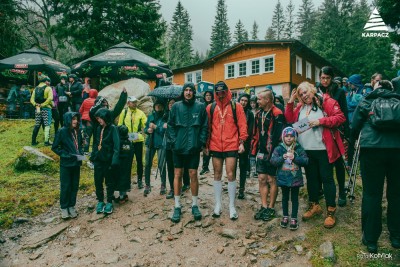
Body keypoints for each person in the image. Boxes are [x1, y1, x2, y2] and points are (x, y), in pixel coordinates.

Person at [285, 81, 346, 228]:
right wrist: (290, 102)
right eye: (301, 94)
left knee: (327, 179)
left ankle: (331, 211)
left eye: (305, 92)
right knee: (311, 179)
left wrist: (320, 121)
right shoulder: (300, 107)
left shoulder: (326, 101)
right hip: (306, 150)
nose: (304, 95)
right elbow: (290, 120)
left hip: (323, 149)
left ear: (312, 89)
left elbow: (340, 118)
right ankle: (315, 206)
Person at [351, 80, 400, 253]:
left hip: (371, 150)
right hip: (397, 150)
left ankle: (371, 239)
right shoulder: (399, 100)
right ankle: (396, 236)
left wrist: (352, 143)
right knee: (396, 194)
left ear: (376, 88)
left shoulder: (366, 101)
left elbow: (354, 126)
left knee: (372, 194)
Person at [205, 81, 248, 220]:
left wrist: (242, 141)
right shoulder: (210, 107)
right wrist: (206, 145)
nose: (221, 94)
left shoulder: (237, 106)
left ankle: (231, 205)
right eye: (218, 92)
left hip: (231, 144)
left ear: (227, 91)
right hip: (216, 144)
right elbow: (207, 128)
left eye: (223, 92)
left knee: (230, 174)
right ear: (215, 93)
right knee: (217, 174)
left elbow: (242, 125)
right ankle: (218, 204)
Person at [167, 82, 208, 223]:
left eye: (191, 90)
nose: (188, 92)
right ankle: (177, 206)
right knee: (177, 174)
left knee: (193, 174)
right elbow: (170, 125)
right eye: (186, 90)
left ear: (194, 92)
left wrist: (201, 142)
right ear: (183, 92)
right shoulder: (176, 106)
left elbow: (204, 126)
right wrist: (173, 142)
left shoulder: (200, 106)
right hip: (178, 148)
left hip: (193, 148)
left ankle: (195, 205)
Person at [317, 66, 349, 207]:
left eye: (327, 78)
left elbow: (344, 112)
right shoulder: (315, 91)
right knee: (323, 162)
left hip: (335, 130)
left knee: (338, 163)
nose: (325, 81)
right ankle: (322, 189)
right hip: (319, 131)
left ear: (331, 78)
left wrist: (346, 133)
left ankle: (342, 191)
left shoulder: (339, 91)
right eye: (322, 78)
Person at [251, 89, 285, 221]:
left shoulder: (278, 114)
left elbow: (279, 137)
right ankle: (264, 206)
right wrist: (253, 152)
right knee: (261, 179)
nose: (257, 101)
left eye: (259, 99)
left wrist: (275, 155)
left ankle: (271, 208)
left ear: (268, 100)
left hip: (273, 152)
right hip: (261, 152)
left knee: (272, 180)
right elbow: (256, 134)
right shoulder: (258, 114)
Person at [270, 127, 308, 230]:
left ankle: (294, 217)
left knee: (295, 198)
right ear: (283, 137)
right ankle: (285, 216)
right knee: (285, 197)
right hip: (283, 178)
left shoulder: (298, 148)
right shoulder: (279, 148)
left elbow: (306, 161)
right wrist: (282, 157)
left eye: (291, 136)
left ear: (295, 137)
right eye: (287, 136)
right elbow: (273, 161)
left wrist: (295, 158)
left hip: (295, 178)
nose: (289, 138)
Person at [51, 112, 83, 219]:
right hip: (66, 164)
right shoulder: (61, 131)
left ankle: (71, 206)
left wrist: (81, 154)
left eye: (76, 119)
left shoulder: (77, 131)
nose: (75, 121)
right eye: (73, 119)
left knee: (74, 186)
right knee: (66, 186)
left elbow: (80, 145)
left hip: (76, 164)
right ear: (68, 120)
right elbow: (55, 147)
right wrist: (66, 155)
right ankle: (64, 208)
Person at [90, 108, 120, 214]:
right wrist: (93, 156)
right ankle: (100, 201)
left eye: (100, 118)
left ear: (105, 117)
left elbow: (117, 146)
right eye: (97, 119)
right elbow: (95, 143)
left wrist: (114, 161)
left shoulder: (113, 128)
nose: (99, 120)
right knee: (98, 181)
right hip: (98, 160)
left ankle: (109, 201)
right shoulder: (98, 128)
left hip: (108, 160)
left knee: (109, 182)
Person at [117, 96, 147, 189]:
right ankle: (127, 182)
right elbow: (119, 125)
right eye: (133, 102)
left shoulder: (140, 113)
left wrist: (147, 129)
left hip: (138, 140)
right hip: (127, 141)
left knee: (139, 161)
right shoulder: (124, 112)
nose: (135, 104)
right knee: (127, 161)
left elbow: (145, 124)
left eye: (135, 102)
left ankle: (139, 181)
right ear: (128, 103)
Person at [143, 99, 167, 196]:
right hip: (150, 143)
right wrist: (147, 130)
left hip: (161, 143)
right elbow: (145, 128)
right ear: (154, 106)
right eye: (156, 105)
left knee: (161, 165)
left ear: (162, 107)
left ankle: (163, 185)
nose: (158, 107)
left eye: (160, 105)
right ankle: (147, 185)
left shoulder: (165, 117)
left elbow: (163, 131)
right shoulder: (150, 116)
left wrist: (156, 127)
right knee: (147, 164)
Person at [236, 93, 254, 200]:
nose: (243, 102)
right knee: (232, 167)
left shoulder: (250, 114)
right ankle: (232, 187)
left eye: (245, 101)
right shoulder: (234, 111)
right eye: (242, 100)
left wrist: (244, 142)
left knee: (242, 166)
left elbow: (250, 130)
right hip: (233, 142)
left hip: (245, 143)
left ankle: (241, 189)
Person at [30, 73, 53, 146]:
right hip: (46, 109)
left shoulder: (36, 88)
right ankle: (47, 141)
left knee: (37, 124)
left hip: (37, 109)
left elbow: (31, 99)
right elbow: (50, 98)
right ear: (45, 80)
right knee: (47, 124)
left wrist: (36, 104)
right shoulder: (48, 88)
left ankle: (33, 141)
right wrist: (43, 104)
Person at [114, 125, 134, 203]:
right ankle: (125, 195)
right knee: (126, 178)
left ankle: (122, 197)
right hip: (128, 164)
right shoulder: (129, 142)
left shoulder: (119, 143)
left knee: (121, 180)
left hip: (120, 165)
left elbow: (117, 153)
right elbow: (132, 152)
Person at [79, 89, 98, 153]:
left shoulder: (85, 100)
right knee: (92, 135)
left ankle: (85, 149)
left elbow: (80, 110)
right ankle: (93, 150)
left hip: (84, 119)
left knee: (85, 135)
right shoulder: (96, 101)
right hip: (91, 120)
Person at [200, 91, 214, 175]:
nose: (208, 97)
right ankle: (205, 167)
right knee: (205, 147)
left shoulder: (214, 105)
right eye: (206, 95)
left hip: (213, 128)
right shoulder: (202, 106)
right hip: (205, 128)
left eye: (209, 95)